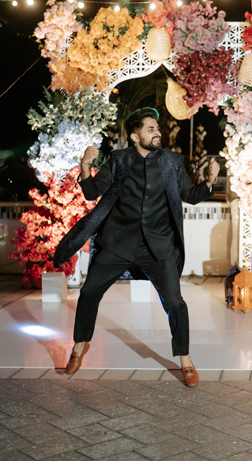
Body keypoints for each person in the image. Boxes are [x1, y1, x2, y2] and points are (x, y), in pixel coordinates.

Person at [53, 108, 219, 387]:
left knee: (176, 303)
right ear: (134, 136)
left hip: (158, 246)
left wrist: (209, 183)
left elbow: (189, 196)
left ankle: (185, 359)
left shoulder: (171, 162)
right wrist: (85, 167)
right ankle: (79, 347)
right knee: (89, 292)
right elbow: (93, 192)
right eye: (150, 129)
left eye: (157, 128)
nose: (157, 133)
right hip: (119, 243)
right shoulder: (119, 160)